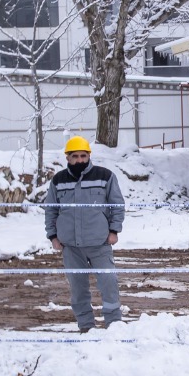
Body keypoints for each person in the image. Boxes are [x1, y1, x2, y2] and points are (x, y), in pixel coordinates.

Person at [44, 136, 126, 333]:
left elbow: (117, 205)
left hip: (99, 243)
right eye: (75, 156)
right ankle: (86, 326)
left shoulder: (105, 176)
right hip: (70, 247)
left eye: (83, 155)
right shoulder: (58, 180)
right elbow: (51, 210)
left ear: (89, 156)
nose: (80, 160)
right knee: (78, 289)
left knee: (108, 283)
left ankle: (114, 325)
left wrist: (114, 231)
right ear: (68, 158)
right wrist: (53, 236)